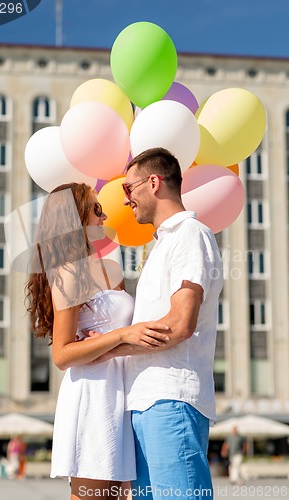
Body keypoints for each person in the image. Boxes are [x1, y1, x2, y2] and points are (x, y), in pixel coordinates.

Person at [91, 147, 224, 500]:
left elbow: (180, 323)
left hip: (172, 398)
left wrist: (109, 349)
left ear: (154, 182)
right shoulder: (163, 244)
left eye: (128, 189)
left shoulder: (190, 234)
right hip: (147, 400)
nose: (125, 199)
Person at [25, 182, 170, 500]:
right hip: (92, 396)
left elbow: (127, 331)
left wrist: (113, 340)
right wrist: (118, 335)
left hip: (124, 393)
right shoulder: (67, 273)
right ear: (75, 218)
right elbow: (62, 355)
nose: (104, 216)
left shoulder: (112, 269)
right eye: (96, 209)